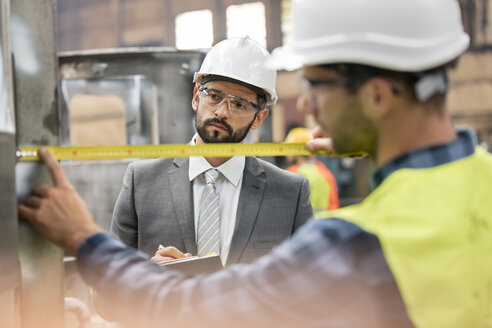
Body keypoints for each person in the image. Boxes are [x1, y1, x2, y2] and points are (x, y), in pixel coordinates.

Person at [19, 0, 492, 327]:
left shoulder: (354, 244)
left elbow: (189, 307)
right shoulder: (483, 179)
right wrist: (378, 142)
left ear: (377, 95)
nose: (306, 109)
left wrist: (84, 237)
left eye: (315, 86)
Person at [110, 36, 313, 266]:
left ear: (259, 118)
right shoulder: (142, 182)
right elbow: (106, 285)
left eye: (239, 104)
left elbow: (311, 291)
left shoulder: (290, 194)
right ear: (197, 97)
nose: (222, 112)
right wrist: (146, 277)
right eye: (214, 96)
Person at [284, 127, 339, 211]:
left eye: (288, 148)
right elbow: (334, 208)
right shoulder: (326, 173)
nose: (285, 152)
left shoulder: (291, 174)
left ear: (297, 149)